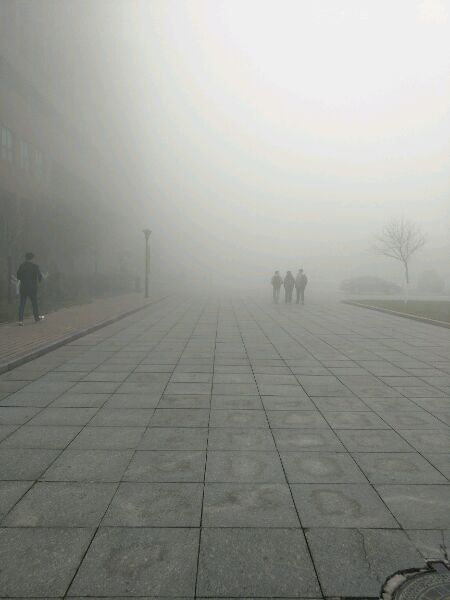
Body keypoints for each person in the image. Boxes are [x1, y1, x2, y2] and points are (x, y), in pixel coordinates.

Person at [16, 252, 43, 326]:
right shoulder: (35, 266)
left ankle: (20, 320)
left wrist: (24, 279)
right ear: (32, 258)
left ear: (26, 258)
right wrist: (38, 281)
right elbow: (40, 277)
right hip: (32, 288)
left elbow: (18, 276)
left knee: (22, 304)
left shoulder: (22, 266)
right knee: (34, 303)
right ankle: (36, 318)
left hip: (23, 287)